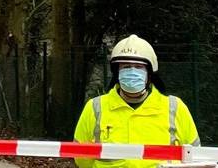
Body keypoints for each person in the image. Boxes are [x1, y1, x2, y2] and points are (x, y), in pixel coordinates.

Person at [74, 35, 200, 168]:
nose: (132, 71)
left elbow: (196, 157)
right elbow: (81, 159)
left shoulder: (175, 108)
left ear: (150, 73)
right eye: (126, 66)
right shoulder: (95, 108)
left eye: (139, 67)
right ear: (117, 72)